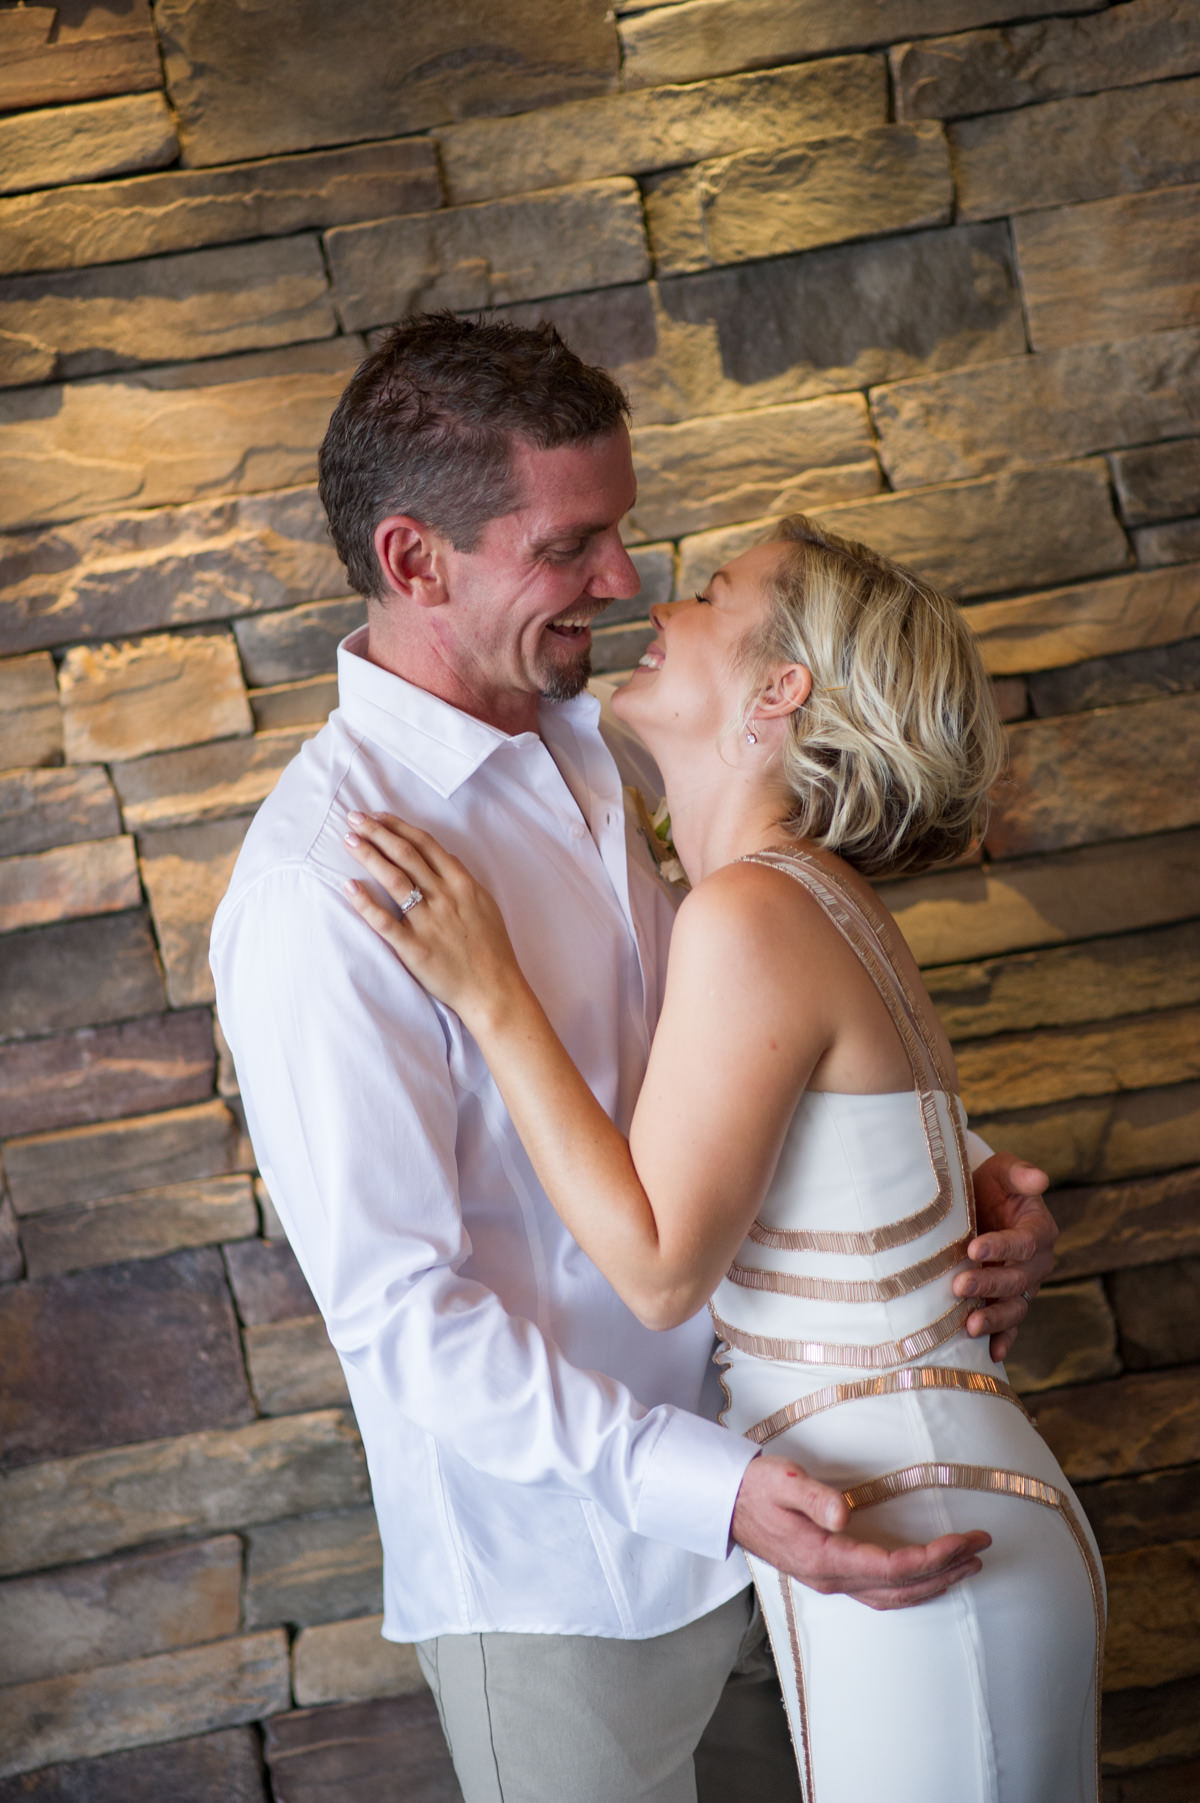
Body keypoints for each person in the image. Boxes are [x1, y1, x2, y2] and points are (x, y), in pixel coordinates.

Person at [210, 314, 1060, 1803]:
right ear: (417, 562)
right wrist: (713, 1495)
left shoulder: (604, 745)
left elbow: (746, 1068)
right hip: (573, 1583)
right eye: (573, 546)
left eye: (628, 535)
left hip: (791, 1504)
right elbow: (403, 1316)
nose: (625, 583)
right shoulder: (319, 885)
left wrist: (951, 1198)